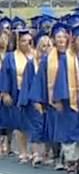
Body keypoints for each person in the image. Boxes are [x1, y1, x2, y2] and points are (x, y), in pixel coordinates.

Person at [33, 24, 79, 174]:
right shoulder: (67, 59)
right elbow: (61, 80)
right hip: (69, 103)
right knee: (70, 133)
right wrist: (58, 99)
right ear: (74, 41)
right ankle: (70, 162)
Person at [0, 29, 34, 162]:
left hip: (32, 92)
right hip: (17, 92)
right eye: (23, 41)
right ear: (18, 42)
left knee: (32, 122)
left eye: (29, 41)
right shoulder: (10, 56)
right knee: (19, 123)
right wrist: (5, 92)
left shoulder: (35, 55)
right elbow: (5, 75)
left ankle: (34, 151)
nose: (27, 43)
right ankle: (23, 151)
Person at [20, 32, 51, 166]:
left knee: (47, 127)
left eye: (49, 45)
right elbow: (27, 83)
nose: (46, 48)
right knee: (36, 127)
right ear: (38, 47)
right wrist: (34, 100)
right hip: (35, 100)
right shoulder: (32, 64)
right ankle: (36, 154)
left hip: (48, 99)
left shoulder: (52, 63)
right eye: (43, 46)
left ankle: (46, 154)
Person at [0, 27, 11, 155]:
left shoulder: (10, 56)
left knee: (7, 119)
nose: (3, 41)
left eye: (6, 38)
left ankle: (7, 145)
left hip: (6, 89)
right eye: (2, 38)